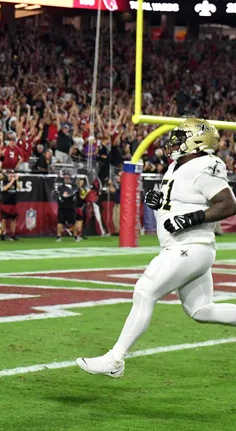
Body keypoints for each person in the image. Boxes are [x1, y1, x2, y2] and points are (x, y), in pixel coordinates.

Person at [77, 119, 236, 378]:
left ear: (197, 141)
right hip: (186, 246)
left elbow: (227, 204)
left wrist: (192, 218)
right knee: (201, 310)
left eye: (180, 137)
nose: (173, 142)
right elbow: (184, 200)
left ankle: (115, 359)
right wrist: (161, 202)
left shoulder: (204, 164)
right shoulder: (177, 165)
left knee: (144, 291)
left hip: (190, 245)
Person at [55, 173, 78, 242]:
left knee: (73, 222)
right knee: (60, 222)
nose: (66, 179)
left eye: (68, 178)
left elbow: (73, 192)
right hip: (62, 207)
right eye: (65, 178)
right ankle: (58, 237)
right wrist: (63, 194)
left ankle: (76, 236)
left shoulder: (74, 186)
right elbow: (59, 193)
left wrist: (68, 193)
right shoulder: (61, 187)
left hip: (71, 207)